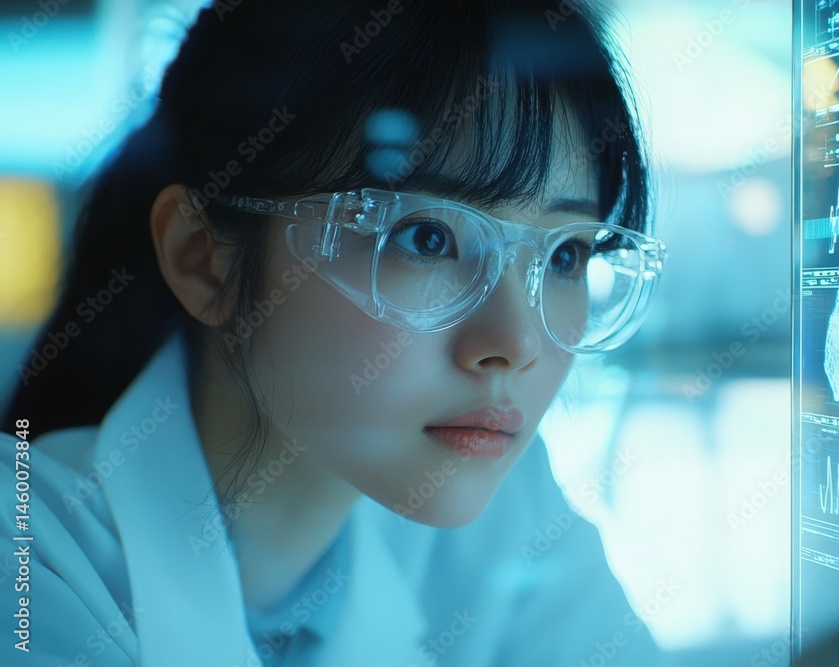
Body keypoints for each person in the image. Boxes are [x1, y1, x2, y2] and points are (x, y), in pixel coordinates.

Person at [1, 1, 668, 664]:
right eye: (427, 237)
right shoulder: (27, 568)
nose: (517, 344)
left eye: (565, 256)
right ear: (202, 260)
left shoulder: (508, 521)